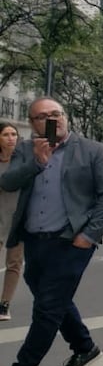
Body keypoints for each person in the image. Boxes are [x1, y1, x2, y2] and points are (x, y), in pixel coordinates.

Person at [0, 97, 103, 366]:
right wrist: (37, 162)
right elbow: (9, 182)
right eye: (43, 117)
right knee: (52, 297)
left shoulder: (92, 150)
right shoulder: (27, 149)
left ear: (66, 117)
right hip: (35, 239)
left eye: (57, 114)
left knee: (48, 306)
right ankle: (84, 346)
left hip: (72, 241)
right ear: (34, 123)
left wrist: (88, 236)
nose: (53, 120)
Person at [0, 122, 24, 320]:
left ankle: (4, 304)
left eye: (13, 134)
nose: (11, 138)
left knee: (14, 263)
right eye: (6, 134)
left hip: (18, 219)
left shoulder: (23, 160)